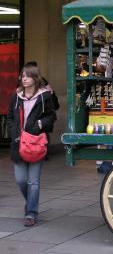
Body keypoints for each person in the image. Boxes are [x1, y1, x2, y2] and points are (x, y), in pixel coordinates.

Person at [7, 64, 56, 227]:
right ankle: (31, 203)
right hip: (19, 144)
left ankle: (31, 213)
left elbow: (51, 116)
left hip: (36, 142)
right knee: (21, 180)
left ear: (35, 78)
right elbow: (10, 117)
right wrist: (13, 131)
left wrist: (41, 123)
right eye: (22, 76)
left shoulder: (44, 96)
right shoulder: (16, 96)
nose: (24, 78)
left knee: (33, 182)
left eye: (27, 76)